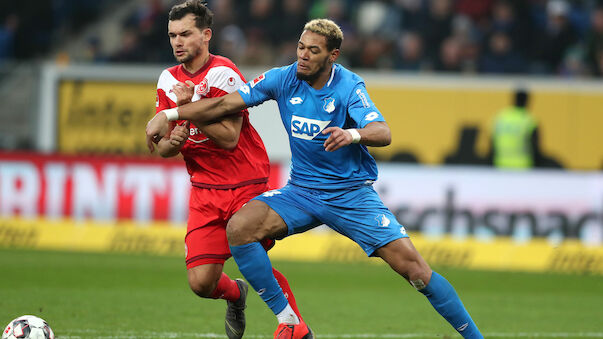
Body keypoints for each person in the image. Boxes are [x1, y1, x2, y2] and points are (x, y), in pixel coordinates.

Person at [147, 18, 483, 339]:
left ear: (332, 55)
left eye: (313, 50)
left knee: (417, 272)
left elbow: (383, 132)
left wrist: (352, 135)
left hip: (350, 196)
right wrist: (170, 114)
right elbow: (224, 105)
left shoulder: (349, 86)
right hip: (302, 192)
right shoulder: (282, 78)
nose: (303, 56)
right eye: (300, 47)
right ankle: (289, 321)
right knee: (240, 228)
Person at [152, 2, 307, 338]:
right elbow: (163, 149)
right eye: (172, 35)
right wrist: (173, 140)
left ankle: (295, 326)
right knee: (201, 283)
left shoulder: (223, 73)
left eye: (185, 34)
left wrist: (186, 109)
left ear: (206, 35)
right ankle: (236, 295)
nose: (177, 42)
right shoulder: (167, 80)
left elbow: (229, 139)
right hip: (204, 190)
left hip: (245, 184)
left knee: (256, 263)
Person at [488, 88, 544, 169]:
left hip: (500, 165)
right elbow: (535, 148)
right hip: (523, 166)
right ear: (527, 100)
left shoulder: (500, 117)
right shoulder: (529, 120)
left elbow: (491, 142)